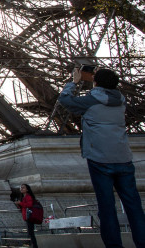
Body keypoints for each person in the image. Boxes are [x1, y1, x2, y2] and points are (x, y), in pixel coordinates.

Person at [58, 67, 145, 248]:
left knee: (106, 208)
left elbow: (65, 99)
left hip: (100, 159)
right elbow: (107, 92)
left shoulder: (90, 101)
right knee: (134, 208)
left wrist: (74, 81)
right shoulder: (121, 101)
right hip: (123, 158)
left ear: (95, 82)